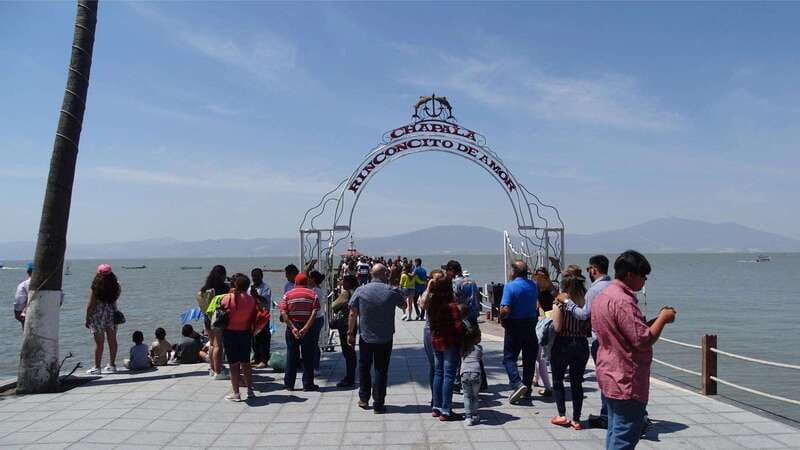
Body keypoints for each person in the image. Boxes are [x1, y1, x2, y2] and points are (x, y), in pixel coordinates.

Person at [593, 250, 677, 450]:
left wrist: (654, 321)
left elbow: (626, 332)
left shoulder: (603, 296)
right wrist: (664, 318)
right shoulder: (623, 301)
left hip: (609, 372)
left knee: (615, 430)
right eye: (643, 276)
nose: (644, 281)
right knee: (624, 436)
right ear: (631, 274)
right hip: (626, 379)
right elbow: (642, 340)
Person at [560, 255, 613, 428]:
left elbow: (584, 315)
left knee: (604, 380)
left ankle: (606, 415)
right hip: (613, 341)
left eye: (589, 268)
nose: (588, 271)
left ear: (594, 269)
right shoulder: (613, 286)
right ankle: (615, 414)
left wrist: (567, 302)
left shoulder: (595, 289)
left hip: (600, 341)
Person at [347, 264, 405, 414]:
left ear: (371, 274)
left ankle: (364, 398)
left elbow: (353, 313)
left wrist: (350, 333)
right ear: (385, 274)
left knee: (364, 367)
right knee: (381, 370)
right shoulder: (391, 290)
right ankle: (378, 404)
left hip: (366, 336)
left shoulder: (361, 290)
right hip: (385, 337)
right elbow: (404, 304)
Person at [550, 270, 592, 430]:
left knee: (558, 380)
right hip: (581, 344)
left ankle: (562, 415)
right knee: (577, 383)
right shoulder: (586, 303)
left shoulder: (560, 302)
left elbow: (557, 327)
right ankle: (576, 419)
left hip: (563, 343)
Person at [499, 260, 539, 404]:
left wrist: (501, 317)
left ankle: (517, 383)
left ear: (514, 272)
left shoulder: (510, 287)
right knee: (529, 359)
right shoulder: (534, 285)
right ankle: (527, 390)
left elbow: (506, 309)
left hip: (515, 325)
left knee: (509, 358)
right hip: (530, 324)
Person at [427, 277, 465, 421]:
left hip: (436, 340)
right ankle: (446, 410)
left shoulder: (432, 304)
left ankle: (436, 407)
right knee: (449, 375)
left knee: (438, 373)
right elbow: (458, 326)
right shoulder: (451, 306)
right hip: (450, 342)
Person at [280, 273, 320, 391]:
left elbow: (283, 312)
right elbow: (314, 313)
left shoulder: (287, 295)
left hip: (292, 327)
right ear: (306, 282)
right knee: (308, 356)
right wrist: (306, 328)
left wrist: (293, 328)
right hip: (308, 327)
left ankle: (289, 384)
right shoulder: (313, 294)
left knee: (292, 355)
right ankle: (308, 384)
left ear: (296, 283)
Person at [221, 274, 258, 402]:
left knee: (233, 365)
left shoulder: (226, 298)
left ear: (234, 285)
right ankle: (250, 390)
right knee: (246, 363)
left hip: (230, 333)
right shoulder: (251, 300)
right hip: (245, 333)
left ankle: (236, 393)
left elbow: (219, 312)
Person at [85, 264, 121, 375]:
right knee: (112, 340)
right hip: (111, 314)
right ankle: (112, 365)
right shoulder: (116, 286)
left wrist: (87, 317)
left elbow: (91, 304)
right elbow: (116, 298)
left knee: (99, 343)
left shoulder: (96, 287)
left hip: (98, 315)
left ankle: (97, 367)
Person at [419, 269, 445, 404]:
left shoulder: (448, 293)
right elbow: (423, 305)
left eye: (441, 280)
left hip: (445, 331)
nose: (438, 283)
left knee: (443, 366)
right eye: (436, 280)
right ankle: (435, 397)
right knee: (434, 365)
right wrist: (429, 288)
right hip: (430, 330)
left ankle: (442, 396)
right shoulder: (428, 294)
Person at [200, 265, 230, 380]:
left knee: (212, 343)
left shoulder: (205, 288)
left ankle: (213, 369)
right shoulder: (223, 287)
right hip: (218, 318)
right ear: (222, 275)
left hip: (207, 317)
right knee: (218, 345)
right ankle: (218, 371)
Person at [331, 274, 357, 387]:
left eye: (344, 281)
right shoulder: (355, 292)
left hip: (345, 324)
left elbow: (334, 305)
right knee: (351, 350)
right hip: (353, 323)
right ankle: (351, 375)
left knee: (347, 352)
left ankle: (349, 378)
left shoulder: (346, 293)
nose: (342, 283)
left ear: (348, 283)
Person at [532, 267, 553, 396]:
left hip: (542, 324)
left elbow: (538, 308)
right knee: (542, 356)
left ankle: (547, 385)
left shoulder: (538, 294)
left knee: (539, 357)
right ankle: (537, 378)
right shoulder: (553, 291)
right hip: (551, 323)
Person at [250, 268, 272, 369]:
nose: (255, 278)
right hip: (253, 316)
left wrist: (257, 296)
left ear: (261, 276)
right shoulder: (250, 287)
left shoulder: (265, 287)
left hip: (263, 316)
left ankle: (264, 360)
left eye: (257, 276)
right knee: (254, 339)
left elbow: (266, 301)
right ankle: (257, 358)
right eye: (253, 276)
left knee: (264, 338)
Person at [461, 326, 484, 426]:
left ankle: (468, 417)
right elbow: (479, 359)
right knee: (475, 396)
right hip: (476, 373)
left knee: (466, 395)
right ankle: (475, 415)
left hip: (464, 373)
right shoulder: (479, 348)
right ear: (477, 338)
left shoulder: (463, 348)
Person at [308, 270, 327, 371]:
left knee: (314, 344)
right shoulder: (317, 289)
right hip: (318, 318)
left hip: (316, 319)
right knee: (313, 343)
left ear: (313, 279)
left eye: (309, 278)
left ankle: (315, 366)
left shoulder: (315, 291)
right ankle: (314, 365)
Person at [13, 263, 32, 330]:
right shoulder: (55, 284)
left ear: (28, 272)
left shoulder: (23, 285)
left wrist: (19, 317)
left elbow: (18, 303)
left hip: (29, 319)